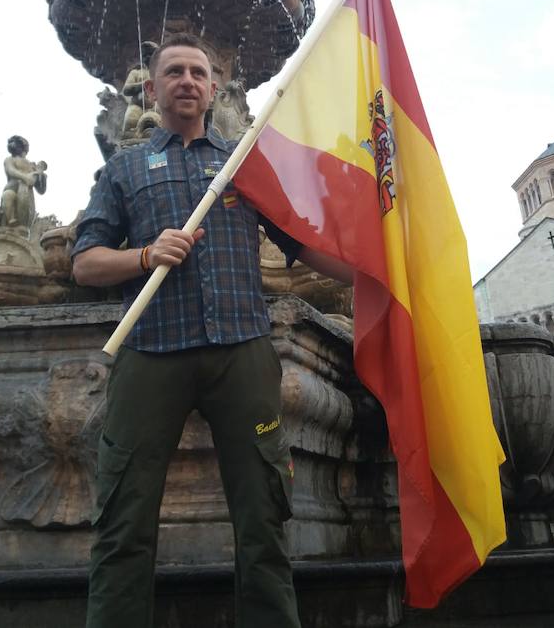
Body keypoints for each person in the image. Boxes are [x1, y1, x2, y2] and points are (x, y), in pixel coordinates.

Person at [72, 33, 352, 628]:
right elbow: (84, 262)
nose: (187, 81)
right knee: (123, 519)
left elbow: (300, 243)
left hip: (242, 352)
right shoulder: (124, 168)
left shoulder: (243, 164)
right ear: (151, 88)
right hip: (150, 354)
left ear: (214, 86)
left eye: (198, 72)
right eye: (173, 72)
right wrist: (145, 255)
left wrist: (376, 273)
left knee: (265, 518)